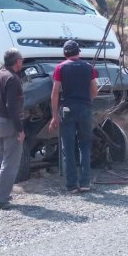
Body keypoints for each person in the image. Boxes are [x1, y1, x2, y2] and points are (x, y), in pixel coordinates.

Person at [48, 40, 98, 193]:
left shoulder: (60, 68)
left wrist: (54, 116)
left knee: (68, 147)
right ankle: (85, 183)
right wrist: (87, 101)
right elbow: (95, 89)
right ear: (79, 52)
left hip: (67, 109)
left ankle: (71, 185)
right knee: (84, 146)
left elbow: (55, 92)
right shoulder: (89, 68)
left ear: (64, 53)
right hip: (84, 108)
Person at [0, 48, 25, 210]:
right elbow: (12, 106)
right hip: (8, 123)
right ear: (16, 61)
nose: (22, 62)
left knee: (1, 159)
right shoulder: (13, 79)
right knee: (10, 162)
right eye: (21, 59)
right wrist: (20, 129)